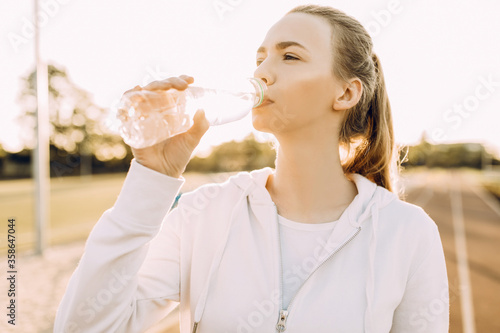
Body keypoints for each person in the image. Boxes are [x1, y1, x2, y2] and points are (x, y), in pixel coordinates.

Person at [54, 4, 449, 333]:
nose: (261, 72)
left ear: (346, 92)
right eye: (260, 58)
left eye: (289, 56)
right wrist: (151, 177)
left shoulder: (407, 232)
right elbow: (86, 327)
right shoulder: (203, 215)